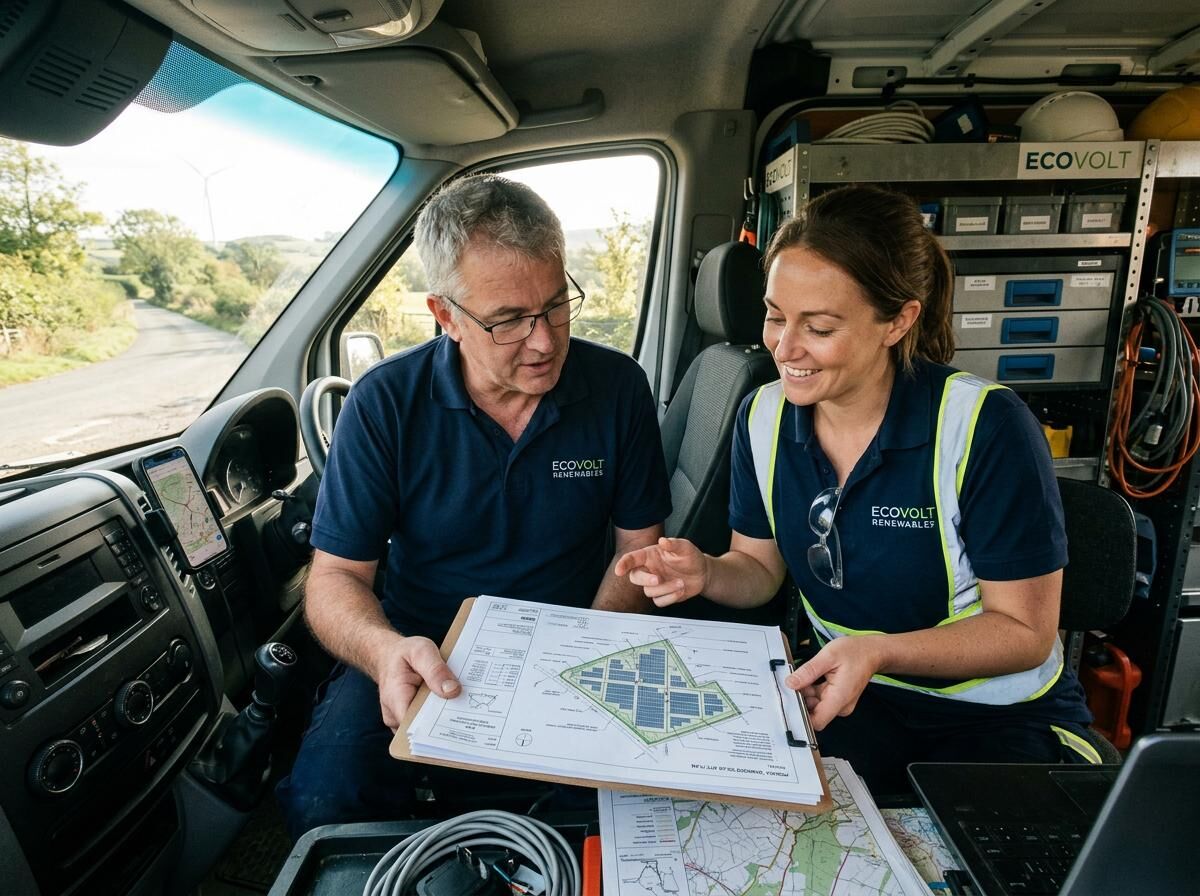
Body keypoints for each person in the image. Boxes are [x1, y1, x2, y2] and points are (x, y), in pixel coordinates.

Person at [616, 184, 1097, 795]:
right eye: (774, 315)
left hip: (997, 718)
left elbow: (1025, 633)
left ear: (898, 320)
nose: (784, 348)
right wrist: (707, 572)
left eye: (817, 327)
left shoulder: (984, 427)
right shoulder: (761, 417)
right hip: (853, 699)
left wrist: (878, 651)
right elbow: (759, 569)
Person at [277, 174, 671, 838]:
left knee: (628, 822)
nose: (544, 342)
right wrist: (383, 651)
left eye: (555, 305)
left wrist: (583, 658)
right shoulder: (383, 404)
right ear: (446, 316)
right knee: (326, 803)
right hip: (421, 646)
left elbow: (639, 551)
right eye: (509, 320)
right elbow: (336, 577)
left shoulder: (617, 387)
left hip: (577, 642)